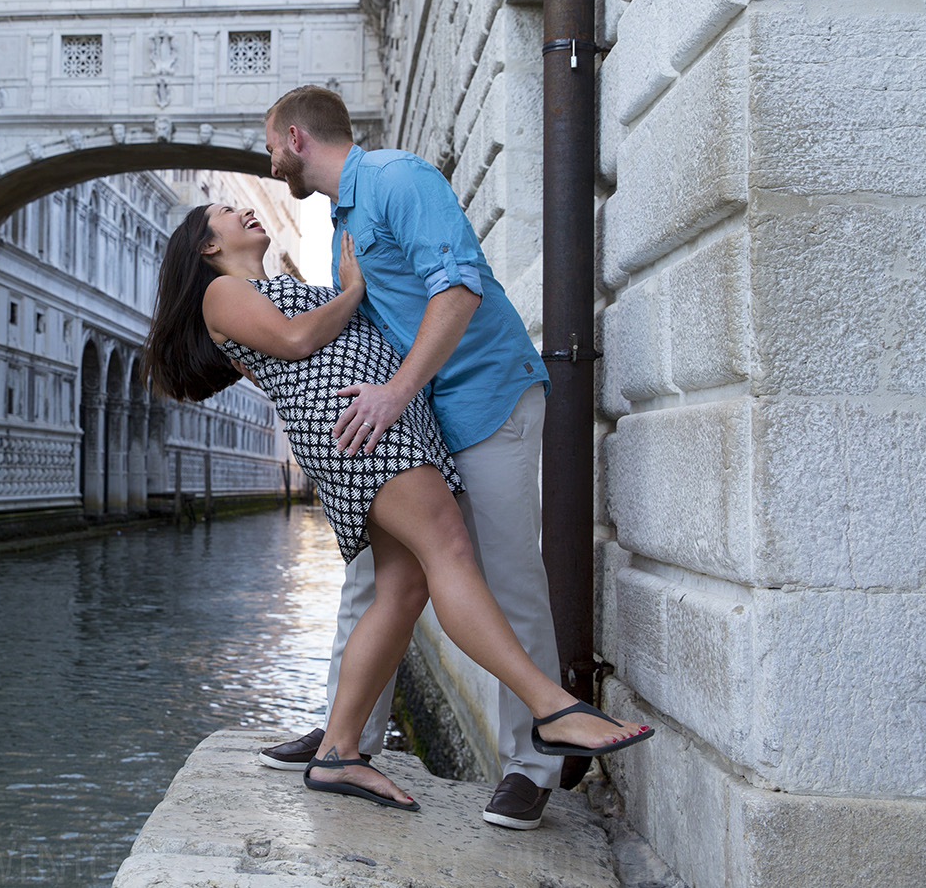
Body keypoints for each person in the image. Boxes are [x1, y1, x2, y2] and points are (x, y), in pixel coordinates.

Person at [143, 202, 652, 812]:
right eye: (229, 211)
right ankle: (551, 710)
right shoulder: (222, 292)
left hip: (376, 426)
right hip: (361, 432)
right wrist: (353, 287)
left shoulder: (271, 285)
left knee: (403, 591)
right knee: (452, 554)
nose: (248, 210)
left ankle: (338, 754)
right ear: (205, 246)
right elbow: (297, 339)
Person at [256, 84, 567, 830]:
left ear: (297, 137)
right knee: (369, 577)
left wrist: (394, 394)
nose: (269, 163)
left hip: (486, 401)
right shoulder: (341, 229)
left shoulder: (399, 178)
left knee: (507, 577)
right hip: (421, 422)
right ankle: (346, 735)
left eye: (269, 145)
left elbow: (457, 289)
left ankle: (533, 766)